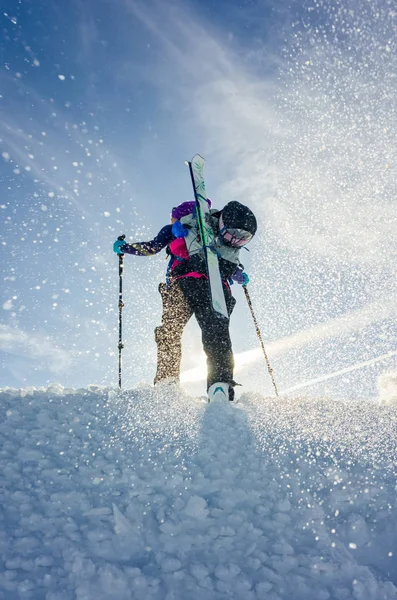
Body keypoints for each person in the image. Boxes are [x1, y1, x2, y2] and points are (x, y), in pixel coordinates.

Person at [113, 200, 257, 401]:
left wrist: (125, 248)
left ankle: (166, 382)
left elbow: (151, 248)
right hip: (215, 287)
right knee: (216, 332)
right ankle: (220, 385)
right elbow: (221, 259)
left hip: (182, 285)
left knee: (170, 331)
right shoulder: (211, 228)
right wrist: (237, 275)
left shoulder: (175, 228)